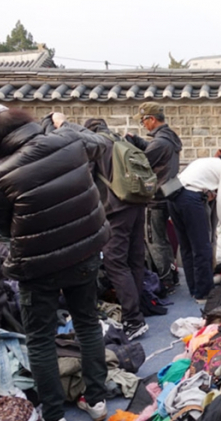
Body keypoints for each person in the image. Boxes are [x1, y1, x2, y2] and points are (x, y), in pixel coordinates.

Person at [0, 106, 110, 421]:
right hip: (84, 253)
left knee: (40, 338)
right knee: (88, 324)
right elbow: (103, 142)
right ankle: (98, 401)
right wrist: (64, 123)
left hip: (37, 267)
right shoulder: (69, 139)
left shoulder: (2, 174)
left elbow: (4, 229)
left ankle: (55, 414)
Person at [85, 118, 149, 341]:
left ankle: (133, 319)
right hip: (136, 203)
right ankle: (138, 311)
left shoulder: (95, 144)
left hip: (115, 208)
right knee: (135, 258)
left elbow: (87, 180)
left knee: (115, 261)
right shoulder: (121, 141)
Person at [167, 155, 221, 302]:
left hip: (174, 196)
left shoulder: (207, 161)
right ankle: (203, 293)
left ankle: (194, 289)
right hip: (191, 200)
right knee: (202, 247)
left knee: (186, 247)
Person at [127, 102, 182, 290]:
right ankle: (171, 275)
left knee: (155, 240)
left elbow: (142, 163)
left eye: (143, 120)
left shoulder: (159, 143)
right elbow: (154, 152)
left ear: (151, 119)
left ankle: (165, 280)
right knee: (163, 238)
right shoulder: (170, 138)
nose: (143, 124)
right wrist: (140, 142)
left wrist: (129, 148)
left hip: (156, 198)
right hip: (170, 192)